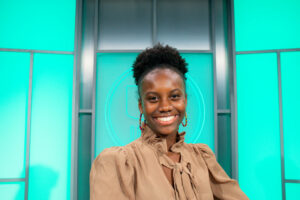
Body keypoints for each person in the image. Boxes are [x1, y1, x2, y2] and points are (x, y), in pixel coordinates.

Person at [90, 44, 249, 200]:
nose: (165, 106)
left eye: (174, 96)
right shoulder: (117, 163)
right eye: (153, 98)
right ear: (141, 106)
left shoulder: (203, 158)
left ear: (185, 101)